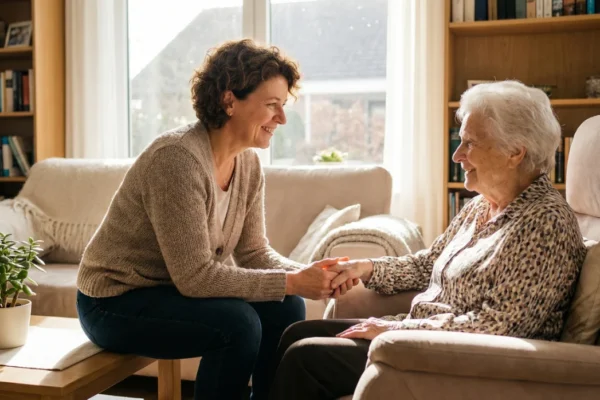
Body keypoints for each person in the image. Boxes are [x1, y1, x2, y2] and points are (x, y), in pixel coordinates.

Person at [269, 80, 588, 400]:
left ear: (515, 153)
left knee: (305, 358)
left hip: (453, 361)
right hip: (418, 337)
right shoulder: (481, 206)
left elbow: (499, 328)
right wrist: (365, 268)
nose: (458, 155)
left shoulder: (545, 225)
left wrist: (394, 330)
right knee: (296, 333)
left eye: (470, 143)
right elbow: (429, 263)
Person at [75, 39, 357, 400]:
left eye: (283, 106)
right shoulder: (177, 159)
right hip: (114, 302)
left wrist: (310, 274)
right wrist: (292, 280)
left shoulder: (249, 163)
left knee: (287, 305)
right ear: (229, 101)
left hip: (169, 291)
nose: (282, 119)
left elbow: (254, 252)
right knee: (238, 324)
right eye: (272, 105)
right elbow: (196, 277)